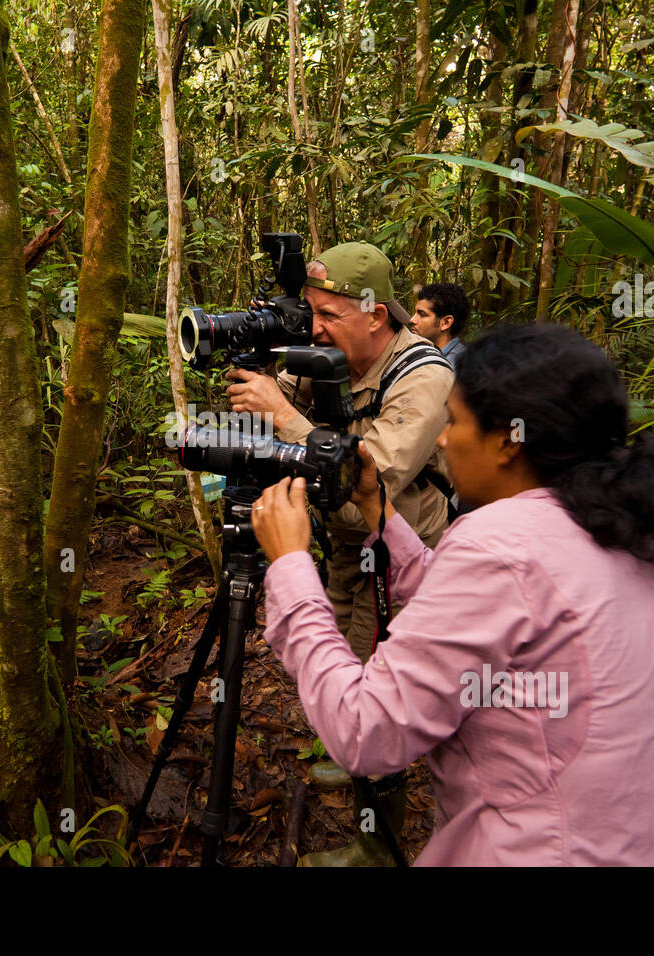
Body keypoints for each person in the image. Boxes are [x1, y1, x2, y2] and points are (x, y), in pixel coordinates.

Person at [251, 323, 654, 866]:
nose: (443, 440)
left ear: (507, 440)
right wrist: (379, 511)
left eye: (454, 421)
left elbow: (363, 731)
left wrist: (289, 566)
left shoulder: (499, 542)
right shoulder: (625, 535)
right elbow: (479, 625)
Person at [225, 240, 455, 865]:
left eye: (327, 315)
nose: (313, 328)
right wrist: (257, 394)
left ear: (376, 315)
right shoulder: (324, 352)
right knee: (352, 655)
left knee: (384, 692)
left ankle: (376, 847)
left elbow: (373, 472)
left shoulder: (424, 375)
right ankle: (362, 778)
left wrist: (284, 416)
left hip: (406, 555)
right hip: (347, 545)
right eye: (309, 314)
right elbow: (284, 412)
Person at [409, 282, 470, 372]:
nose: (412, 320)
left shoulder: (452, 367)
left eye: (422, 314)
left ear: (446, 322)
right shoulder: (432, 355)